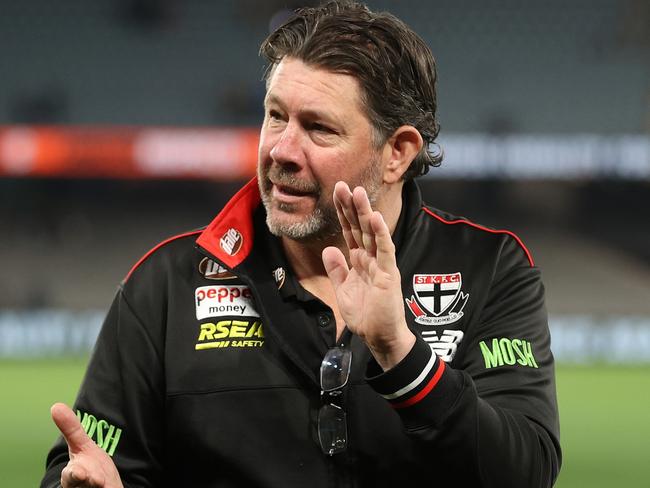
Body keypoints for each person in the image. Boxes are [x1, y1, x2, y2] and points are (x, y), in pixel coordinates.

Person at [42, 1, 561, 487]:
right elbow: (87, 463)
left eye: (318, 128)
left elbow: (525, 471)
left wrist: (401, 356)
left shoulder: (490, 269)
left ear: (398, 153)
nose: (281, 150)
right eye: (275, 116)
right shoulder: (166, 285)